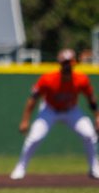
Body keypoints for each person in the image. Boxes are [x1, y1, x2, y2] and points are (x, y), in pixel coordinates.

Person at [10, 48, 99, 180]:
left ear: (74, 64)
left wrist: (97, 116)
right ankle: (20, 167)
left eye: (70, 63)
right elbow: (33, 99)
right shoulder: (48, 78)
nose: (67, 66)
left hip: (71, 110)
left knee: (89, 135)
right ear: (60, 64)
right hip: (50, 110)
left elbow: (91, 99)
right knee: (34, 138)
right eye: (65, 63)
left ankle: (94, 168)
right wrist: (25, 120)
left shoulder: (81, 79)